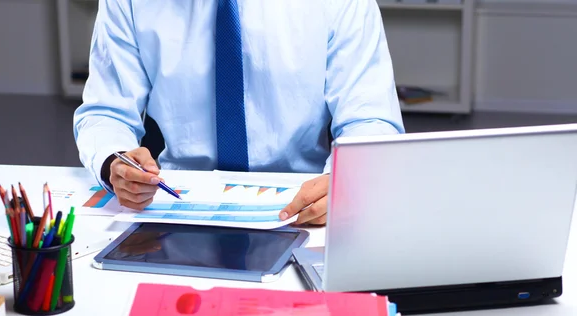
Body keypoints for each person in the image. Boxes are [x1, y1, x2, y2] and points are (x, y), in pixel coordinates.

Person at [73, 0, 405, 226]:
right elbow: (106, 113)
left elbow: (370, 118)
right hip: (178, 204)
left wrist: (348, 181)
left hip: (305, 206)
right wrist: (115, 162)